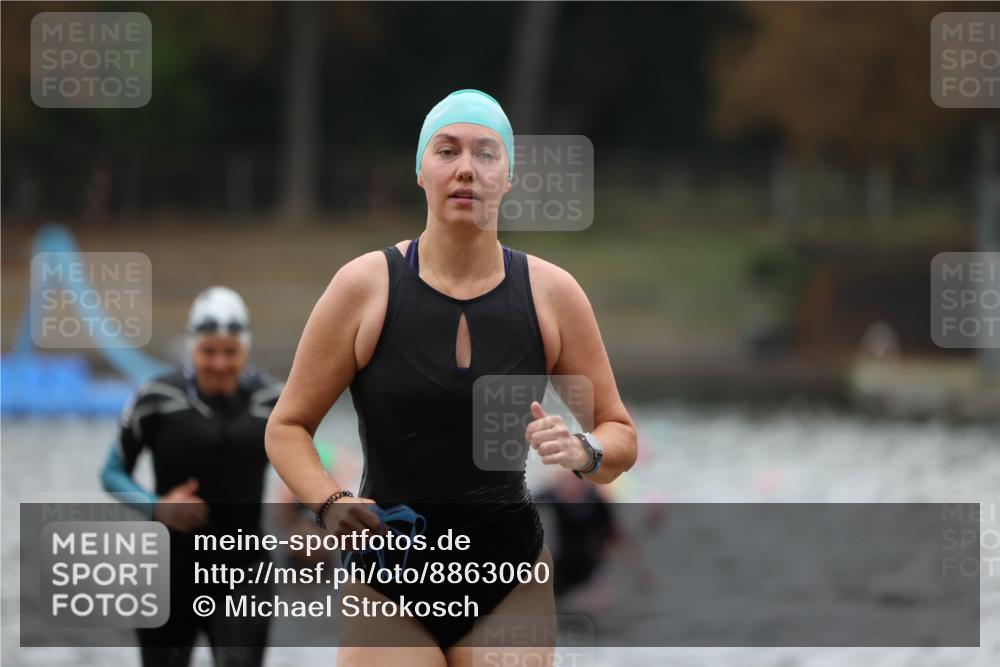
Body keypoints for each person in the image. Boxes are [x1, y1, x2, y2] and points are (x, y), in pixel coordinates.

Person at [265, 89, 638, 667]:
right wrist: (330, 502)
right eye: (447, 150)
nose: (466, 167)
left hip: (507, 576)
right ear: (421, 170)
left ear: (507, 176)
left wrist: (584, 448)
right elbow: (287, 426)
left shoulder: (552, 294)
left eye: (486, 153)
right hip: (387, 579)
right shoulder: (365, 286)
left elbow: (619, 433)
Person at [100, 286, 284, 667]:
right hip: (168, 571)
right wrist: (156, 507)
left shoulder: (274, 400)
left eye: (229, 352)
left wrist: (319, 505)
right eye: (208, 351)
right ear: (191, 349)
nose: (219, 363)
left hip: (243, 569)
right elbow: (112, 472)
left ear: (244, 350)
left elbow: (311, 457)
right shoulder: (156, 398)